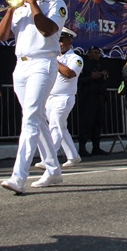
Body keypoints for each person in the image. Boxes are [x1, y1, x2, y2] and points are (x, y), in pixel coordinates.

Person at [0, 0, 68, 193]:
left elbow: (48, 30)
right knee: (36, 118)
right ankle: (54, 170)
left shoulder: (56, 4)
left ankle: (19, 177)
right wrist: (11, 7)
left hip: (42, 63)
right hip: (21, 65)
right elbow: (2, 35)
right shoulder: (20, 7)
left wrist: (33, 4)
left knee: (29, 119)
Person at [36, 28, 84, 167]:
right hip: (50, 97)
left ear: (70, 41)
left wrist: (54, 60)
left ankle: (49, 158)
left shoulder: (75, 58)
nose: (60, 43)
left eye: (63, 40)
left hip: (64, 97)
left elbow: (70, 73)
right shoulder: (53, 57)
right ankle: (73, 156)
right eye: (58, 40)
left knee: (55, 126)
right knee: (61, 127)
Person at [78, 46, 110, 156]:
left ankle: (96, 147)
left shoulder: (100, 64)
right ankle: (82, 148)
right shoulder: (83, 64)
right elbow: (79, 81)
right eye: (94, 52)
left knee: (98, 124)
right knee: (86, 123)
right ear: (89, 54)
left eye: (98, 52)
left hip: (99, 97)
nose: (97, 54)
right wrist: (91, 77)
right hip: (87, 97)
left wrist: (104, 74)